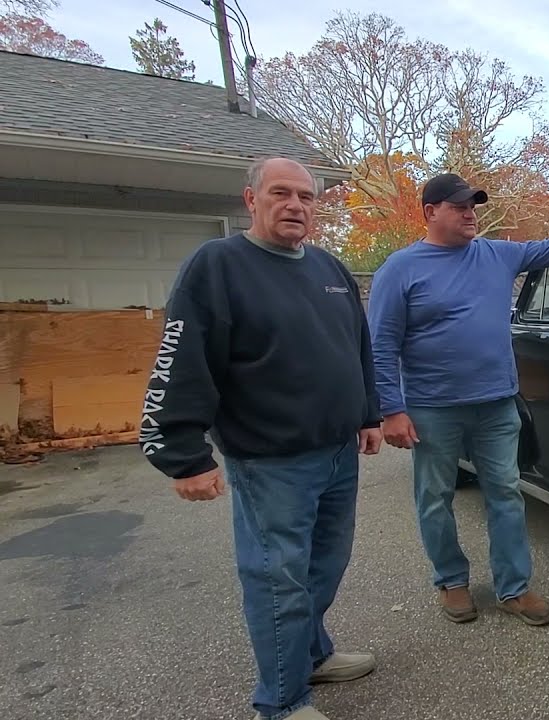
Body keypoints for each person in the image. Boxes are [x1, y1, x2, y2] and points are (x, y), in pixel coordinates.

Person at [138, 156, 384, 720]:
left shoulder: (329, 268)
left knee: (325, 567)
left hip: (337, 453)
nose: (295, 205)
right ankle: (282, 701)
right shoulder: (217, 266)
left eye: (306, 196)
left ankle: (311, 656)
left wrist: (368, 414)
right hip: (272, 461)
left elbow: (358, 347)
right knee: (280, 582)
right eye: (281, 193)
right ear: (251, 200)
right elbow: (184, 357)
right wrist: (183, 454)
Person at [367, 172, 549, 626]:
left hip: (497, 404)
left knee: (505, 492)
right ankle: (451, 581)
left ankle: (513, 588)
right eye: (459, 207)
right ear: (430, 212)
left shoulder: (497, 255)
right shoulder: (400, 269)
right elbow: (381, 345)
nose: (470, 214)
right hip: (433, 407)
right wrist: (391, 410)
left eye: (473, 206)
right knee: (435, 497)